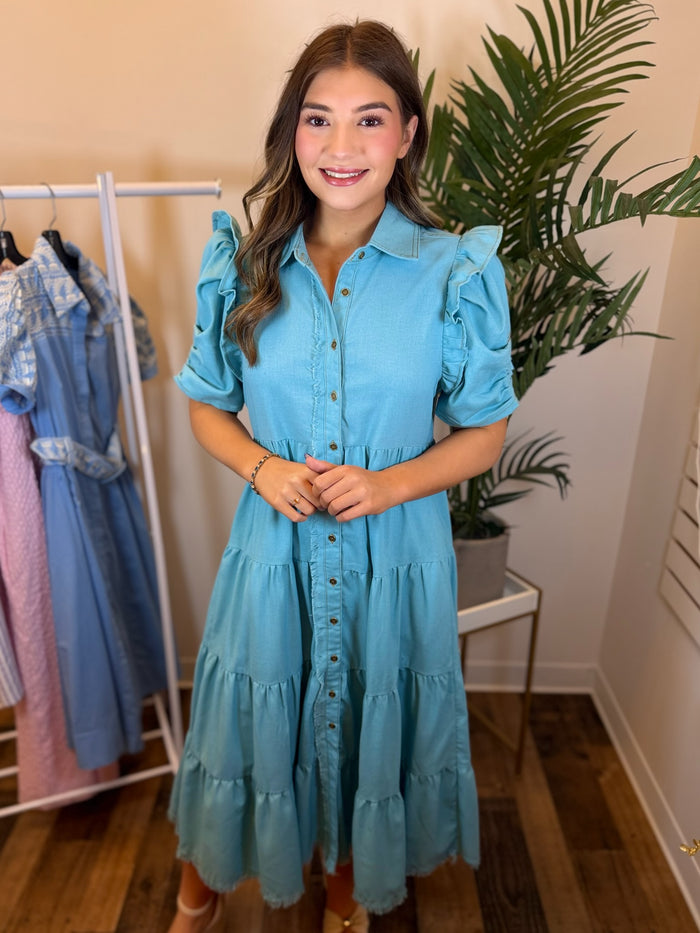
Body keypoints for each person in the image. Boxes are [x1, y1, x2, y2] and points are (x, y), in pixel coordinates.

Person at [167, 19, 518, 933]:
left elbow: (486, 429)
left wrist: (391, 485)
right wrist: (262, 464)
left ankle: (341, 900)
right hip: (271, 553)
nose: (341, 146)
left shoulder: (455, 273)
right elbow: (207, 404)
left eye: (370, 120)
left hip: (394, 557)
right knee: (245, 723)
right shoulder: (246, 263)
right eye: (318, 119)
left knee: (367, 723)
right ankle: (196, 896)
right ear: (293, 132)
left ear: (408, 134)